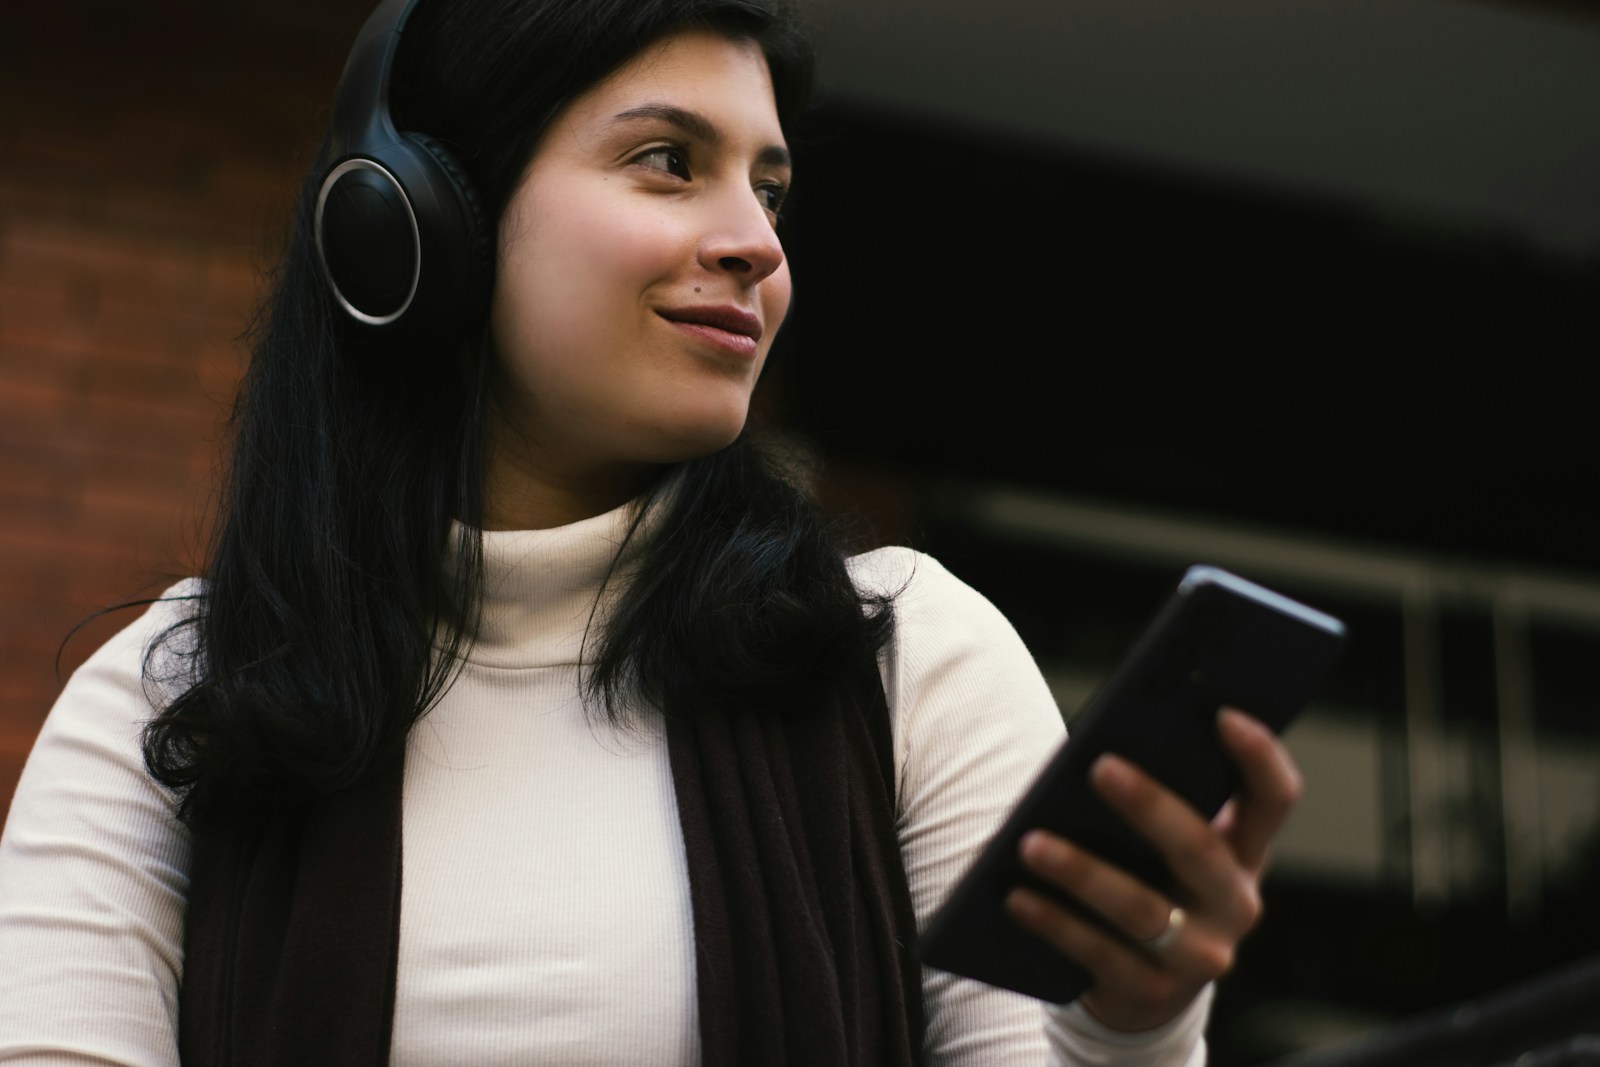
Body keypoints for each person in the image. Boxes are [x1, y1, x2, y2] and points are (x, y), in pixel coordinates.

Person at [0, 0, 1302, 1063]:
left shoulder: (910, 656)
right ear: (413, 223)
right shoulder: (166, 700)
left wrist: (1128, 1029)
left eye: (771, 189)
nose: (754, 245)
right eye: (667, 160)